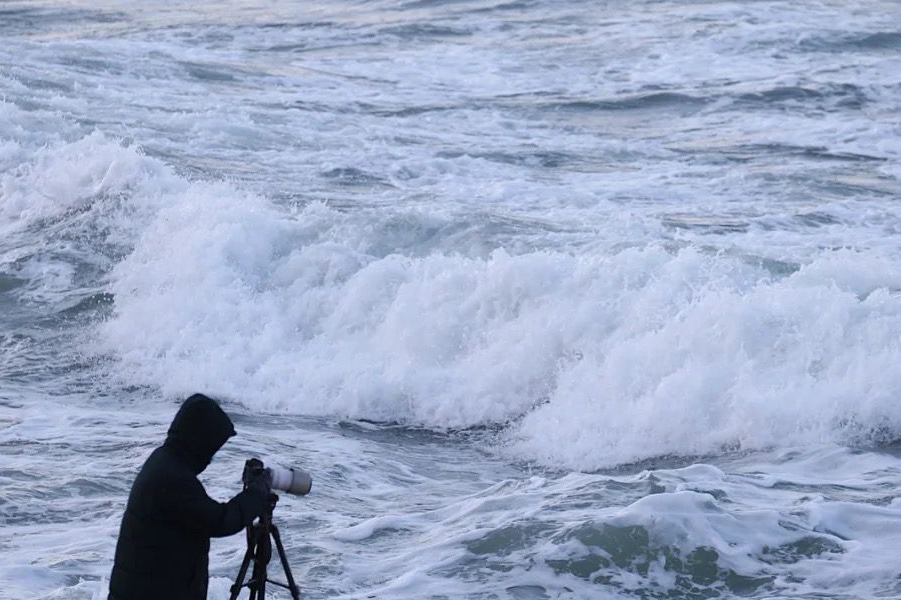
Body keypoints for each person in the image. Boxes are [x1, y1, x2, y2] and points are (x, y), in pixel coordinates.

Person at [109, 393, 270, 600]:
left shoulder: (163, 461)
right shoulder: (173, 479)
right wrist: (256, 495)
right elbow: (220, 521)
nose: (210, 458)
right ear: (199, 442)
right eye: (211, 448)